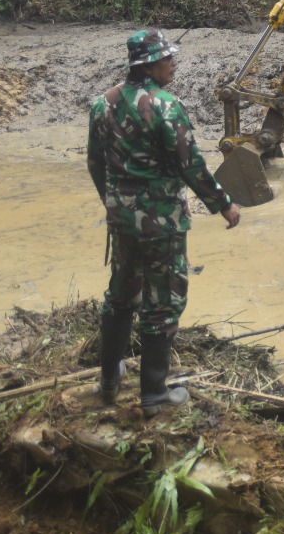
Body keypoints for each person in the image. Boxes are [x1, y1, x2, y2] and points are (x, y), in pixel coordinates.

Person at [87, 28, 240, 413]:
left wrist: (115, 203)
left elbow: (94, 163)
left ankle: (109, 377)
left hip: (121, 222)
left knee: (120, 296)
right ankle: (154, 394)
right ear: (150, 65)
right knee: (163, 303)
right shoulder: (167, 106)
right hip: (162, 224)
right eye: (168, 59)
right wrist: (223, 204)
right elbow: (190, 165)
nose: (174, 64)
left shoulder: (101, 106)